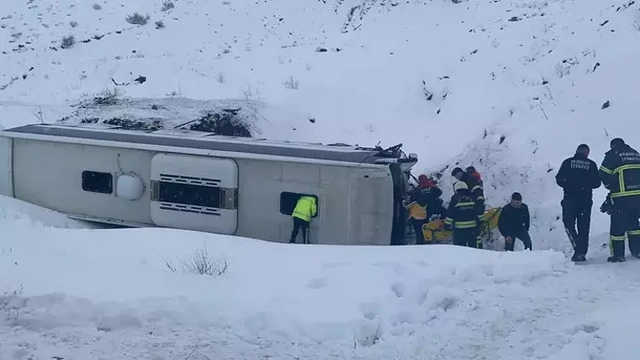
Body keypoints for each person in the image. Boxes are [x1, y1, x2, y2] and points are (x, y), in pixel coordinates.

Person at [555, 144, 602, 262]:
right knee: (584, 227)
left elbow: (559, 179)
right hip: (585, 200)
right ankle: (581, 252)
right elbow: (597, 183)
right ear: (587, 153)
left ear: (577, 151)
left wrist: (569, 183)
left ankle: (578, 248)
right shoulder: (591, 164)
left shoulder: (567, 162)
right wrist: (585, 184)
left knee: (568, 224)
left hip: (569, 199)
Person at [598, 138, 640, 262]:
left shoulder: (613, 155)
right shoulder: (635, 154)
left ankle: (618, 255)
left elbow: (603, 174)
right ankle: (637, 250)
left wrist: (610, 186)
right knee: (634, 224)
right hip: (638, 197)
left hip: (621, 197)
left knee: (617, 226)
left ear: (613, 146)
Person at [443, 181, 482, 248]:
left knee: (460, 250)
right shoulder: (472, 197)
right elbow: (478, 211)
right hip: (472, 229)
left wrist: (447, 225)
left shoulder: (455, 198)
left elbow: (450, 213)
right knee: (473, 248)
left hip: (459, 230)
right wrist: (481, 221)